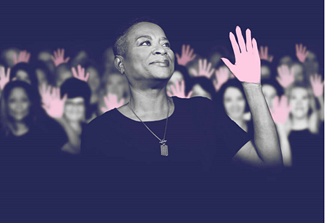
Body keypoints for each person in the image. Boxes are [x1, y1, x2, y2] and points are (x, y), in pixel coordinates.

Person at [80, 19, 282, 206]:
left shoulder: (203, 112)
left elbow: (269, 165)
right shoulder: (100, 132)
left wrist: (252, 85)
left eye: (166, 44)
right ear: (120, 64)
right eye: (145, 43)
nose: (161, 49)